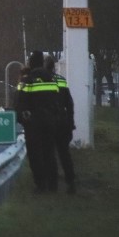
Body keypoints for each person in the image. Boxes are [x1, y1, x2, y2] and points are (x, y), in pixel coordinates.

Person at [14, 51, 61, 193]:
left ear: (31, 62)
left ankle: (41, 184)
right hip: (50, 121)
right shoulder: (51, 79)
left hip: (33, 123)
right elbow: (57, 100)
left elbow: (19, 102)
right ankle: (53, 184)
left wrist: (21, 119)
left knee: (35, 154)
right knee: (49, 153)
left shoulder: (28, 79)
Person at [44, 55, 76, 194]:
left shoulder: (42, 81)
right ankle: (71, 180)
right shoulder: (62, 81)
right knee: (64, 153)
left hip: (50, 122)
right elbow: (69, 103)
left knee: (50, 153)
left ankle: (53, 185)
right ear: (54, 66)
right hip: (63, 121)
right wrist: (71, 121)